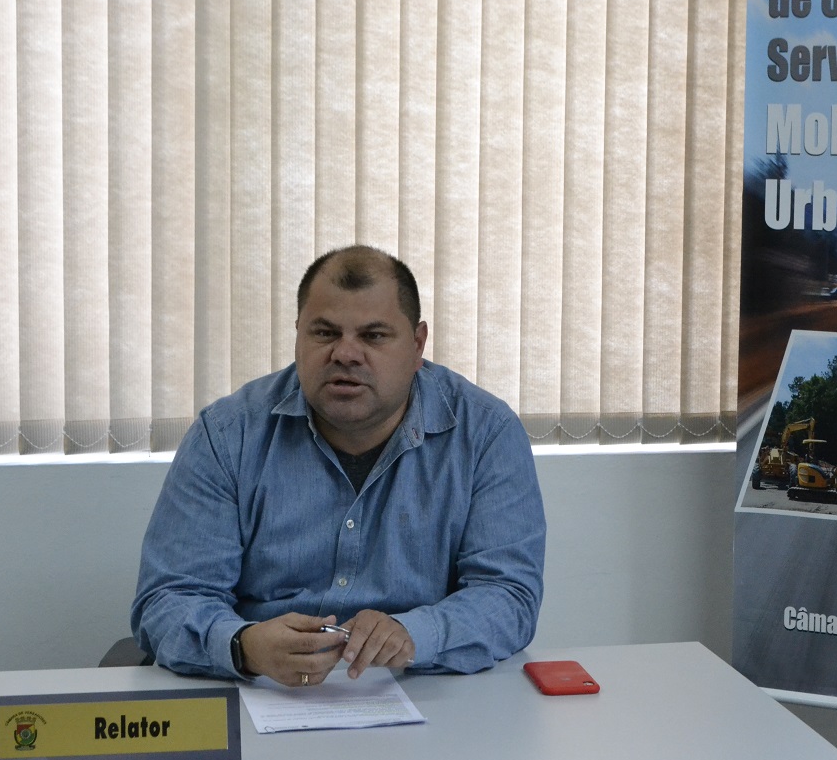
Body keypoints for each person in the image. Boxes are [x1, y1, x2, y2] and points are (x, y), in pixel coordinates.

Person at [131, 245, 546, 687]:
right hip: (263, 690)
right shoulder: (228, 435)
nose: (346, 354)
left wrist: (414, 634)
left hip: (424, 688)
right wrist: (244, 646)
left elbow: (509, 596)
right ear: (298, 334)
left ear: (417, 344)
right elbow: (168, 599)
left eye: (374, 336)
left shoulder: (486, 434)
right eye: (325, 333)